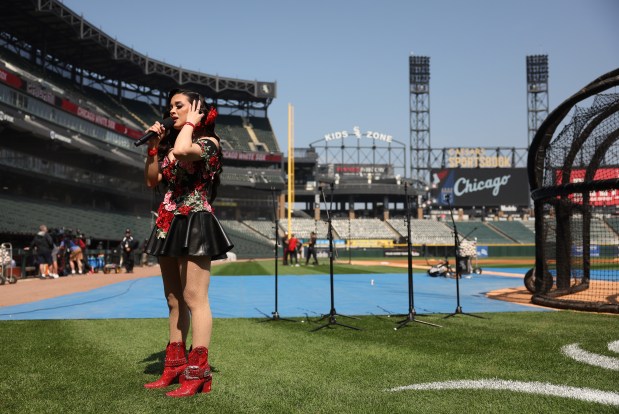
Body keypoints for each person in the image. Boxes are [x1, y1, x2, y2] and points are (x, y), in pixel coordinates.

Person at [143, 89, 233, 397]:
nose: (171, 112)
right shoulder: (175, 142)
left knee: (195, 297)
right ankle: (174, 367)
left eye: (178, 106)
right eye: (170, 107)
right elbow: (153, 180)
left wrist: (190, 124)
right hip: (169, 222)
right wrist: (153, 147)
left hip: (194, 220)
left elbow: (182, 152)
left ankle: (199, 372)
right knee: (174, 300)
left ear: (196, 110)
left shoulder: (208, 143)